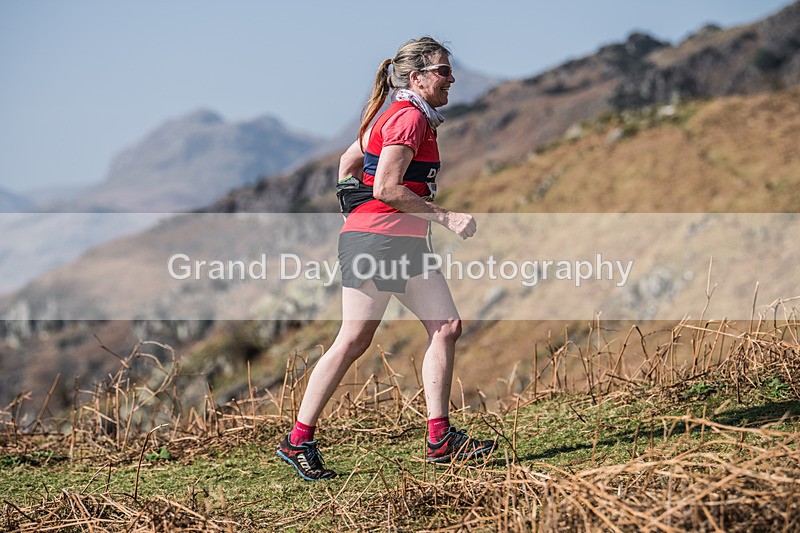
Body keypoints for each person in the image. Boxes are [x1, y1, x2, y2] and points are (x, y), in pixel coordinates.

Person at [276, 36, 496, 481]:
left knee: (446, 327)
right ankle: (297, 440)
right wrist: (446, 217)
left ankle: (439, 439)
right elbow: (387, 188)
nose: (452, 79)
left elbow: (348, 161)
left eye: (451, 71)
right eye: (443, 71)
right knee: (355, 339)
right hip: (377, 242)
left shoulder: (404, 115)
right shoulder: (409, 118)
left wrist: (348, 198)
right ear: (416, 78)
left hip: (403, 242)